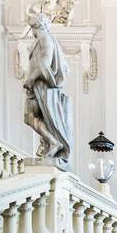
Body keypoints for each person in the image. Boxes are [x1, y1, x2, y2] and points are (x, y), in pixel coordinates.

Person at [23, 11, 74, 170]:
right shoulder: (41, 40)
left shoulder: (46, 39)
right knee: (30, 117)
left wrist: (31, 79)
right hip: (38, 86)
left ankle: (53, 142)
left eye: (32, 26)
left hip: (42, 86)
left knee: (30, 116)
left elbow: (45, 61)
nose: (32, 30)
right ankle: (50, 142)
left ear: (37, 25)